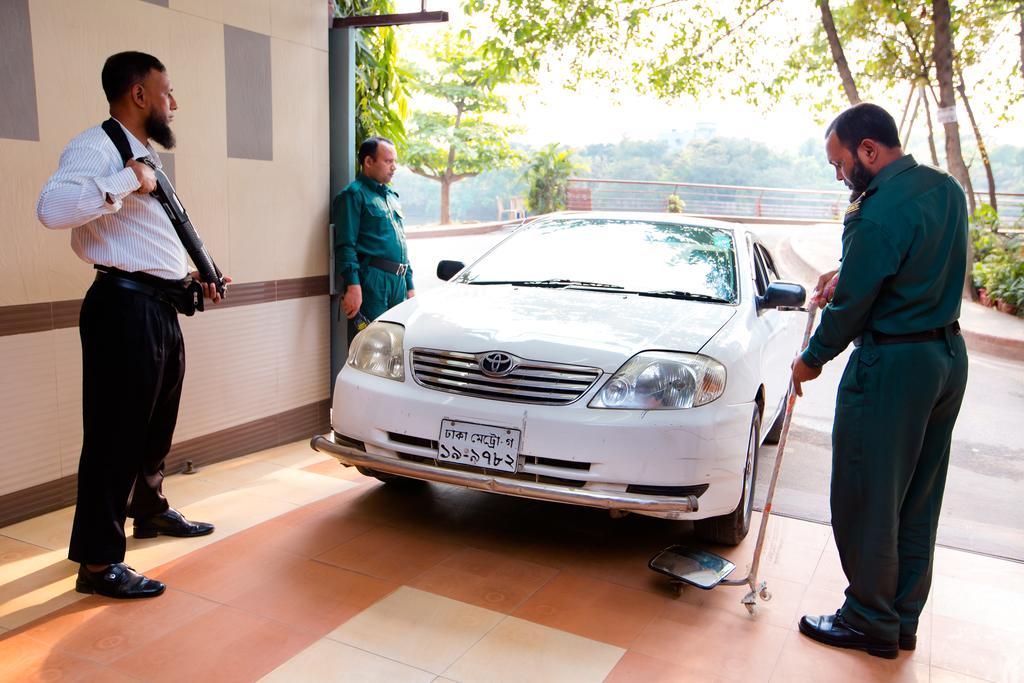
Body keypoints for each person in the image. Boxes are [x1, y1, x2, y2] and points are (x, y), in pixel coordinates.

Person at [37, 51, 229, 599]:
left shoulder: (145, 157)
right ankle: (97, 565)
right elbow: (52, 209)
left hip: (156, 306)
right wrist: (126, 178)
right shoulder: (98, 148)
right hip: (121, 310)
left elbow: (145, 238)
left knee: (153, 426)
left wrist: (191, 274)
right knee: (113, 436)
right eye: (167, 91)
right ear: (139, 95)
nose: (175, 103)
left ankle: (149, 510)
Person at [791, 103, 969, 658]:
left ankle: (869, 619)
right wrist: (852, 269)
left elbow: (849, 312)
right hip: (945, 358)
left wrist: (811, 359)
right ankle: (901, 618)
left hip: (892, 367)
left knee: (867, 494)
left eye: (841, 164)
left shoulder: (872, 214)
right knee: (918, 496)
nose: (840, 176)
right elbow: (916, 260)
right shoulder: (944, 190)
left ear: (869, 150)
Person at [333, 136, 415, 342]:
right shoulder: (353, 195)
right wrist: (353, 285)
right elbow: (345, 245)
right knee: (373, 344)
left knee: (397, 344)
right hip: (373, 281)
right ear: (368, 162)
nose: (394, 167)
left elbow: (402, 244)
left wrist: (410, 285)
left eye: (394, 161)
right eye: (388, 161)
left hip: (399, 282)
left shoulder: (391, 197)